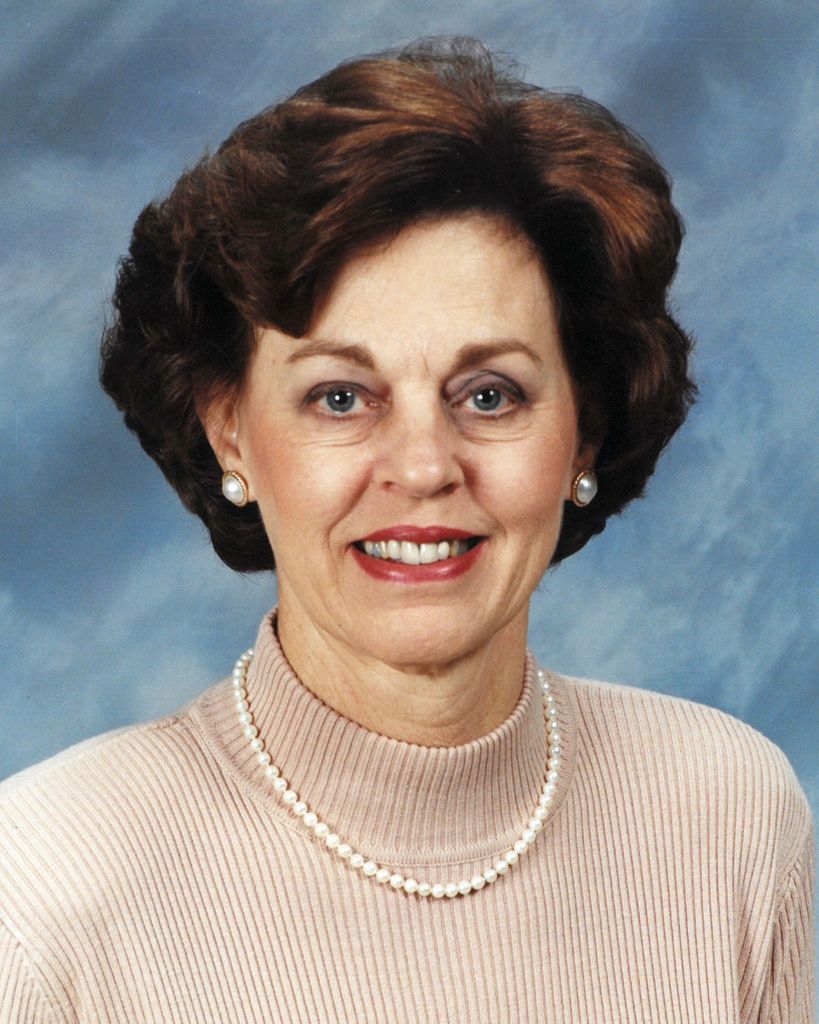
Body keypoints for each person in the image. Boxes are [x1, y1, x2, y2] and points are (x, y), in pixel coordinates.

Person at [0, 38, 813, 1024]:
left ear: (585, 431)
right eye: (340, 396)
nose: (425, 466)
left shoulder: (730, 818)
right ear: (230, 430)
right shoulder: (41, 892)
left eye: (490, 393)